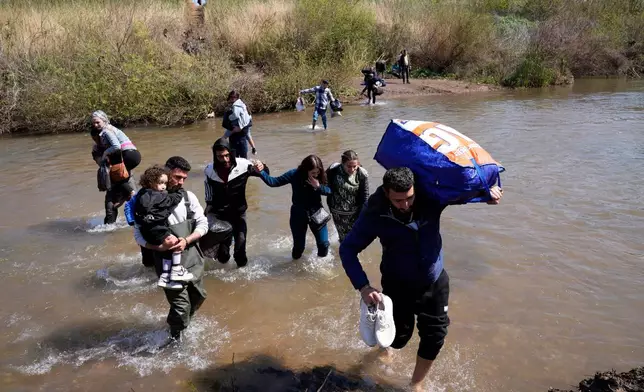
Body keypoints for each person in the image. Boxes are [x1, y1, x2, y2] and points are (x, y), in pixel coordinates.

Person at [339, 167, 503, 391]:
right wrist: (364, 287)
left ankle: (416, 382)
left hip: (433, 280)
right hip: (397, 283)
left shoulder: (430, 198)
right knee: (398, 338)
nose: (405, 205)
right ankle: (384, 349)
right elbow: (347, 249)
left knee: (435, 335)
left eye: (409, 198)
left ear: (416, 190)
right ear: (387, 193)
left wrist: (487, 194)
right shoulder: (374, 213)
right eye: (398, 200)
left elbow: (460, 191)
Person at [134, 156, 209, 343]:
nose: (180, 182)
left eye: (184, 178)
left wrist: (187, 239)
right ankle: (175, 340)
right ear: (166, 172)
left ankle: (182, 326)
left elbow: (203, 223)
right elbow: (138, 234)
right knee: (181, 305)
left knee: (198, 296)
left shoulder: (187, 197)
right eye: (177, 177)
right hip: (166, 261)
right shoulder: (146, 198)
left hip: (192, 257)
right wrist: (158, 246)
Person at [204, 138, 269, 267]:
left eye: (227, 155)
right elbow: (208, 191)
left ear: (231, 152)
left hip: (239, 214)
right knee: (222, 257)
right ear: (215, 156)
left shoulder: (243, 165)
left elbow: (265, 174)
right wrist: (207, 209)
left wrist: (262, 166)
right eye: (220, 157)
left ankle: (243, 283)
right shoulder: (209, 170)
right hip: (220, 216)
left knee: (240, 255)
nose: (225, 159)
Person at [255, 155, 331, 259]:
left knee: (324, 245)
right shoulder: (294, 174)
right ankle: (295, 269)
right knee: (299, 248)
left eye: (318, 172)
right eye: (313, 173)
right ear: (305, 169)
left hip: (317, 213)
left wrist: (318, 187)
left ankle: (321, 270)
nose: (316, 175)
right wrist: (261, 172)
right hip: (298, 215)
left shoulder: (321, 176)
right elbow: (273, 182)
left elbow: (330, 191)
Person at [133, 165, 195, 289]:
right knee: (174, 242)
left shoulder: (141, 194)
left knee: (167, 251)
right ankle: (177, 269)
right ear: (151, 182)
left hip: (146, 230)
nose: (163, 186)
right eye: (160, 183)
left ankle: (165, 276)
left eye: (165, 183)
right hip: (157, 228)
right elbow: (171, 200)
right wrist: (179, 194)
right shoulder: (158, 195)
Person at [90, 110, 141, 195]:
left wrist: (105, 153)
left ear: (104, 120)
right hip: (132, 154)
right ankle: (132, 193)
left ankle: (132, 193)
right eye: (94, 123)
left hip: (128, 154)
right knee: (122, 176)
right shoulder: (109, 129)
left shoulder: (106, 131)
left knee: (115, 175)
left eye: (98, 122)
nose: (95, 125)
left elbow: (116, 146)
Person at [326, 150, 369, 243]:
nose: (352, 169)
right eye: (349, 166)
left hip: (355, 212)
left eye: (354, 166)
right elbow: (323, 183)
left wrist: (364, 213)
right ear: (342, 163)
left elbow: (365, 195)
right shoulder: (334, 170)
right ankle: (343, 254)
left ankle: (350, 253)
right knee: (344, 238)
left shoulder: (362, 174)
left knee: (355, 236)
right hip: (338, 212)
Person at [222, 90, 257, 159]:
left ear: (237, 98)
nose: (232, 99)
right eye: (231, 97)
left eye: (233, 97)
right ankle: (254, 148)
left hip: (240, 135)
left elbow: (236, 116)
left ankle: (254, 148)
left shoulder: (237, 106)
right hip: (238, 134)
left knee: (242, 158)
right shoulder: (241, 105)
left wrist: (239, 127)